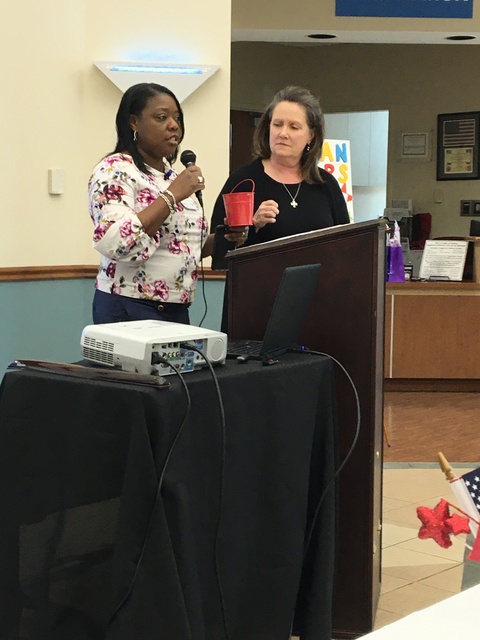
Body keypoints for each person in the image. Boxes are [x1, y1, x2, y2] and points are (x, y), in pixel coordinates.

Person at [88, 82, 214, 325]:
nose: (174, 125)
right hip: (128, 304)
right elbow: (116, 242)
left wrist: (227, 237)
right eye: (162, 117)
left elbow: (180, 245)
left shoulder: (171, 177)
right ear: (134, 122)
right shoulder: (115, 170)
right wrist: (171, 196)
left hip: (177, 307)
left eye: (177, 117)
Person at [211, 85, 350, 246]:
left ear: (311, 136)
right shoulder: (242, 182)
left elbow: (347, 245)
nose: (283, 133)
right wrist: (253, 226)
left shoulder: (326, 184)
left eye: (294, 127)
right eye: (277, 124)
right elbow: (218, 249)